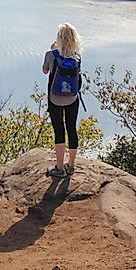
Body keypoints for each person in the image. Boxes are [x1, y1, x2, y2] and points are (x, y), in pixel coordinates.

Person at [42, 23, 82, 178]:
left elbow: (45, 70)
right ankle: (71, 165)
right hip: (72, 98)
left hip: (55, 98)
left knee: (59, 130)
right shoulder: (77, 56)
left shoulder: (51, 54)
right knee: (71, 128)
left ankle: (59, 168)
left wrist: (53, 50)